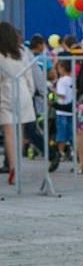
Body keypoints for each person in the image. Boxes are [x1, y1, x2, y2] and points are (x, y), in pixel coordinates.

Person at [0, 22, 36, 185]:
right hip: (23, 92)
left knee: (9, 133)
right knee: (20, 132)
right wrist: (30, 92)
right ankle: (19, 167)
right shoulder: (23, 51)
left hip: (5, 92)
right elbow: (29, 76)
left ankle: (13, 166)